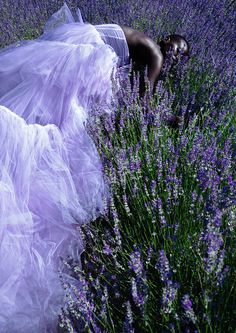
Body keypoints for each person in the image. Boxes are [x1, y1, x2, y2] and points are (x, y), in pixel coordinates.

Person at [0, 4, 188, 332]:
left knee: (54, 119)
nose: (173, 55)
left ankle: (25, 153)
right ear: (169, 46)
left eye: (178, 53)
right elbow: (143, 107)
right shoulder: (154, 55)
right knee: (67, 138)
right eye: (176, 49)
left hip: (80, 47)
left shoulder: (144, 46)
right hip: (89, 59)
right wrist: (173, 121)